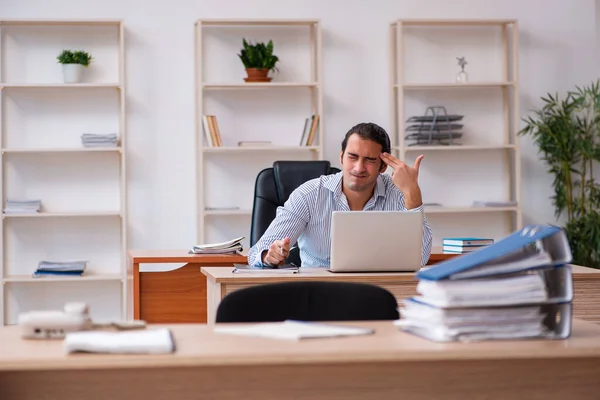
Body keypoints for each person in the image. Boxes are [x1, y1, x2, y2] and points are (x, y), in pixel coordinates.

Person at [247, 122, 433, 268]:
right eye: (352, 157)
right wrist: (268, 256)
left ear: (383, 166)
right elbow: (255, 253)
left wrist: (413, 194)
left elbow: (420, 259)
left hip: (379, 290)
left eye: (369, 160)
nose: (359, 168)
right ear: (341, 157)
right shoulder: (309, 195)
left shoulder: (401, 194)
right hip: (320, 292)